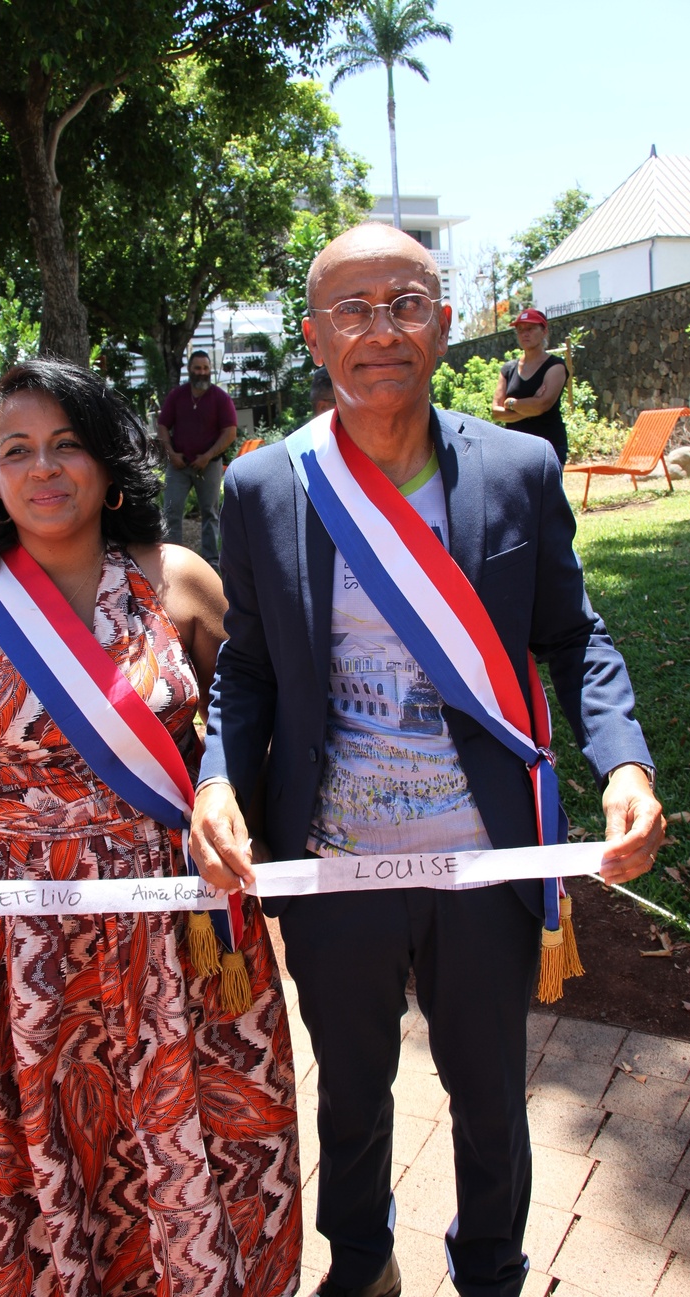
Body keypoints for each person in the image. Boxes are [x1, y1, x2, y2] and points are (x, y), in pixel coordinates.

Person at [189, 224, 664, 1297]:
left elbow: (572, 635)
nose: (380, 331)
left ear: (444, 326)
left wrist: (623, 763)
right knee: (349, 1092)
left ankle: (491, 1269)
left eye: (404, 303)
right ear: (315, 338)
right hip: (334, 856)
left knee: (492, 1095)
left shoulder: (516, 467)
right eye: (351, 310)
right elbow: (249, 669)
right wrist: (219, 774)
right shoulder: (266, 487)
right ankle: (360, 1265)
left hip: (485, 855)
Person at [0, 359, 300, 1296]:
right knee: (41, 1139)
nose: (43, 468)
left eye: (67, 445)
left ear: (106, 459)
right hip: (14, 936)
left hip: (175, 922)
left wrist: (225, 792)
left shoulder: (176, 579)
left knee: (192, 1135)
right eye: (18, 450)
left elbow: (250, 714)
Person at [157, 350, 238, 568]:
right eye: (197, 368)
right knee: (171, 510)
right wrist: (171, 454)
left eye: (205, 368)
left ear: (210, 370)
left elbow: (230, 432)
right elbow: (163, 425)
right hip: (179, 464)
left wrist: (208, 456)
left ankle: (210, 561)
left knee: (210, 513)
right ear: (190, 370)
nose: (202, 372)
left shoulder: (221, 398)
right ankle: (172, 559)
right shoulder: (177, 395)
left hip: (208, 465)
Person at [492, 307, 569, 465]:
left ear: (544, 331)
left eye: (531, 328)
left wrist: (511, 403)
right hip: (514, 448)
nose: (525, 333)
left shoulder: (555, 366)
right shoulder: (508, 369)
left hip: (548, 447)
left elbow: (542, 405)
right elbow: (496, 412)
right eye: (520, 330)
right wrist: (531, 405)